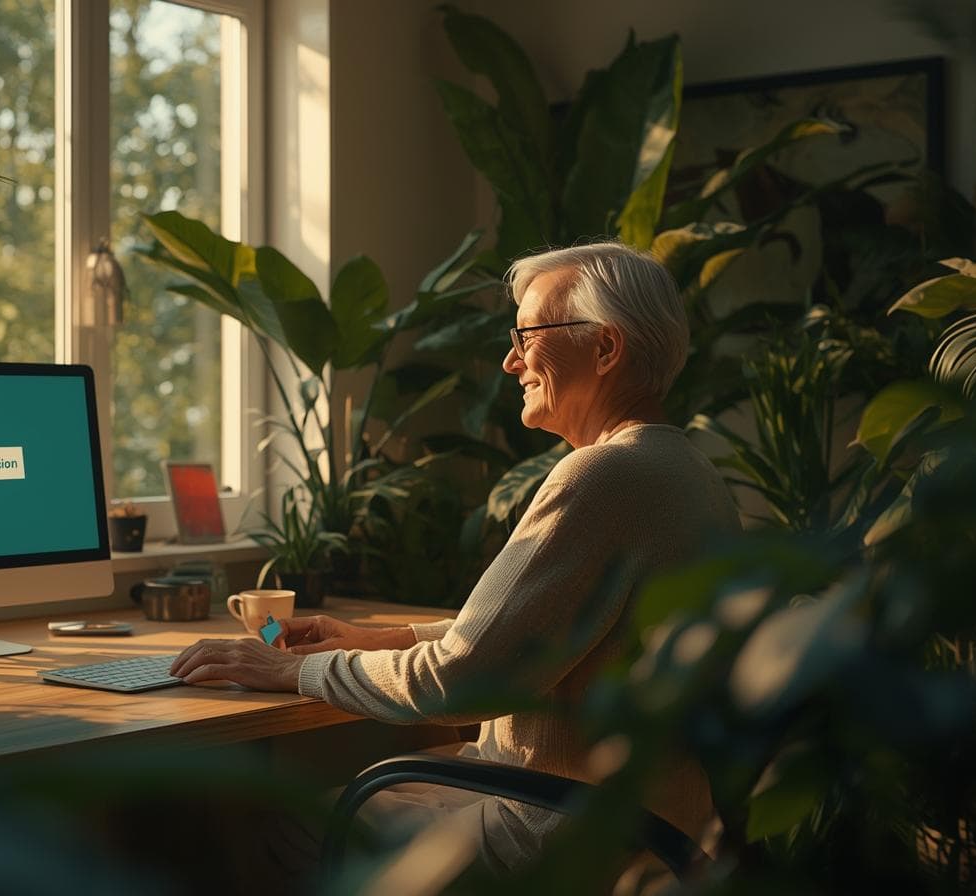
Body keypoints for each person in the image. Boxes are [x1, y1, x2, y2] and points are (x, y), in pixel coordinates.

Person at [169, 241, 741, 875]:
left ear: (606, 349)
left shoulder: (604, 474)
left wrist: (292, 672)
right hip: (653, 829)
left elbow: (462, 682)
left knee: (261, 821)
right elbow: (533, 634)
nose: (509, 360)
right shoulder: (687, 470)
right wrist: (372, 638)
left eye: (527, 335)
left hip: (556, 832)